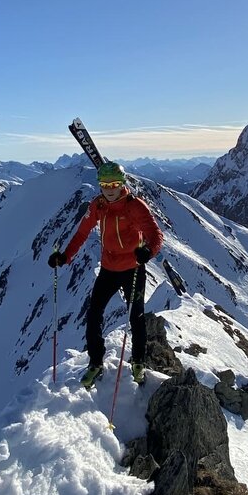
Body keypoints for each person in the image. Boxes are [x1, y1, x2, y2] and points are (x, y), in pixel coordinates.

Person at [48, 161, 163, 387]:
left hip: (133, 268)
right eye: (104, 184)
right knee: (94, 315)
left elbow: (155, 234)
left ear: (122, 184)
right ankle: (95, 362)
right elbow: (82, 233)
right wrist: (65, 256)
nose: (109, 189)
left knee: (136, 316)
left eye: (114, 184)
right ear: (99, 185)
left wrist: (148, 251)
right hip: (108, 269)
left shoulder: (134, 206)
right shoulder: (98, 205)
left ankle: (138, 361)